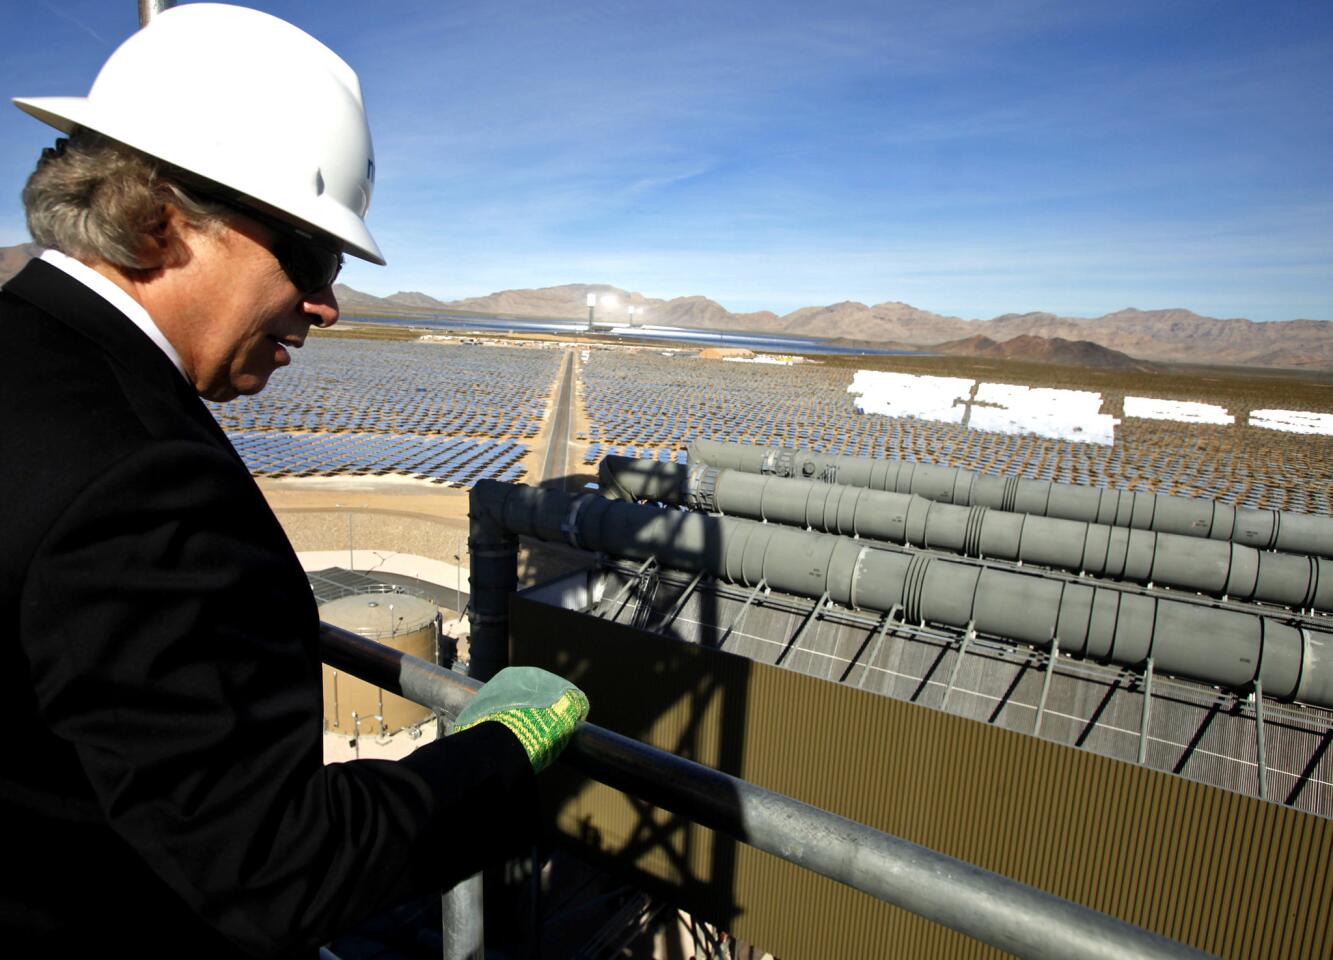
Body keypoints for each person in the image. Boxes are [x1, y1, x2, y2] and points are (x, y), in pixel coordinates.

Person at [0, 5, 586, 957]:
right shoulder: (140, 476)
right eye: (309, 254)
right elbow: (277, 868)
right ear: (158, 222)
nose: (328, 304)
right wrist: (497, 753)